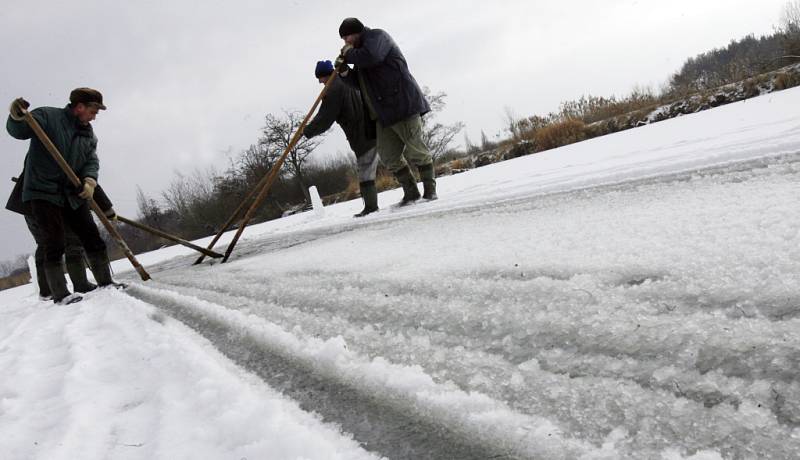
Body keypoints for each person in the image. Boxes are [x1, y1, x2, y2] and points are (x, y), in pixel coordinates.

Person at [6, 88, 122, 304]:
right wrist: (16, 116)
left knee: (91, 236)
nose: (95, 116)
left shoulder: (88, 135)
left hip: (72, 193)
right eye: (93, 111)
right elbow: (19, 130)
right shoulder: (48, 117)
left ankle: (106, 281)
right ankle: (60, 294)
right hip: (43, 192)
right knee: (54, 241)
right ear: (79, 107)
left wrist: (89, 181)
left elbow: (91, 161)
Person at [334, 17, 437, 206]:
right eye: (343, 39)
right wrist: (345, 72)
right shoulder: (359, 53)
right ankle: (411, 192)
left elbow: (372, 57)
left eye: (347, 36)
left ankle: (430, 191)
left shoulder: (377, 37)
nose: (345, 42)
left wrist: (349, 54)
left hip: (402, 104)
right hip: (382, 114)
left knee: (416, 149)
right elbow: (360, 83)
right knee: (389, 156)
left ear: (356, 32)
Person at [6, 174, 116, 300]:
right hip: (36, 202)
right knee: (53, 242)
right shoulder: (60, 158)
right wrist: (105, 208)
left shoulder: (76, 158)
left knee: (64, 241)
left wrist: (105, 208)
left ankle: (72, 286)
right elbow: (79, 178)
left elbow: (87, 182)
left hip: (49, 199)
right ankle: (57, 290)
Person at [303, 60, 380, 217]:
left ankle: (371, 207)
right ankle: (411, 191)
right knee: (392, 158)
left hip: (361, 133)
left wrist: (306, 131)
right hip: (374, 128)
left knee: (365, 169)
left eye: (320, 78)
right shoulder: (345, 81)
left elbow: (324, 119)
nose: (319, 81)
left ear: (325, 75)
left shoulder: (333, 90)